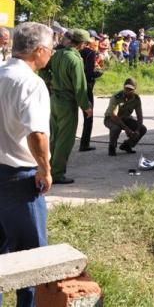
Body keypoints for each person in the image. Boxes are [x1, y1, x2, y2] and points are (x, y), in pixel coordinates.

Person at [0, 23, 54, 307]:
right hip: (18, 179)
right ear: (39, 51)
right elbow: (36, 134)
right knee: (32, 262)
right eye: (51, 49)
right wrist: (44, 169)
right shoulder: (31, 83)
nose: (52, 55)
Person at [47, 29, 93, 185]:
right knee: (65, 140)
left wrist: (49, 82)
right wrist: (86, 106)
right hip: (67, 102)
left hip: (54, 99)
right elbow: (80, 87)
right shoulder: (75, 59)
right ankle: (57, 174)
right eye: (85, 43)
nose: (85, 46)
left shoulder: (57, 54)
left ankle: (48, 168)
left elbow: (43, 69)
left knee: (54, 136)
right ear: (81, 44)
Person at [104, 78, 146, 156]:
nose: (128, 91)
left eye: (130, 89)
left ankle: (127, 145)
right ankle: (112, 147)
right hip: (110, 119)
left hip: (125, 118)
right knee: (116, 128)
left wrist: (137, 130)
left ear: (134, 89)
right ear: (123, 87)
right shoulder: (117, 97)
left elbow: (139, 116)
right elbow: (113, 116)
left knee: (142, 129)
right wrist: (127, 129)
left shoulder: (136, 99)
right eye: (126, 88)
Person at [78, 36, 99, 152]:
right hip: (86, 87)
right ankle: (84, 144)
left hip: (68, 89)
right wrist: (95, 75)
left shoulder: (66, 53)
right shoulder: (90, 53)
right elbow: (89, 72)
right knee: (88, 116)